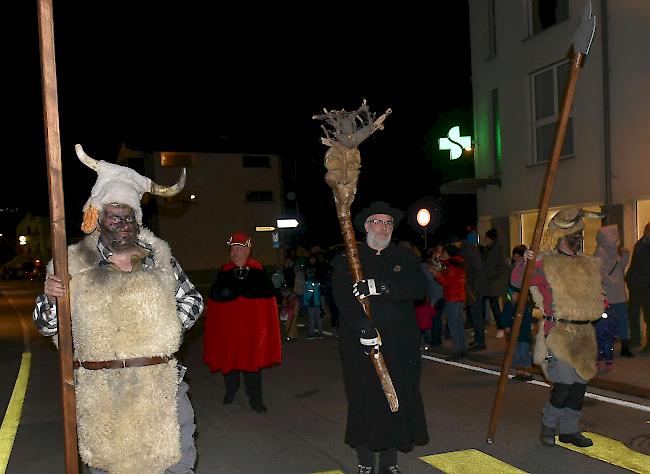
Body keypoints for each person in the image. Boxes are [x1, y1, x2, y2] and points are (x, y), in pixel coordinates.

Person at [33, 145, 203, 474]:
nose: (123, 224)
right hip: (103, 394)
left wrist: (162, 327)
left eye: (129, 217)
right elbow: (49, 326)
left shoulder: (158, 256)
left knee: (176, 463)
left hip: (158, 387)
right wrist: (52, 298)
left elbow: (193, 300)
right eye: (115, 216)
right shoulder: (73, 263)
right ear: (97, 217)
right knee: (110, 466)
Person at [331, 201, 428, 474]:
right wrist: (363, 327)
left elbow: (418, 288)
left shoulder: (404, 257)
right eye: (377, 222)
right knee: (364, 400)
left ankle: (389, 462)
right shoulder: (349, 258)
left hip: (400, 345)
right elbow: (341, 296)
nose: (383, 228)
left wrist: (383, 287)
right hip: (359, 345)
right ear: (365, 227)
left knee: (395, 398)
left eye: (388, 223)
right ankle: (365, 460)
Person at [516, 208, 605, 448]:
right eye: (572, 237)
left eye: (579, 237)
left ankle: (569, 430)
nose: (577, 242)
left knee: (579, 387)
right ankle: (548, 424)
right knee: (564, 385)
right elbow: (517, 282)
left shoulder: (587, 265)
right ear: (560, 239)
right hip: (558, 333)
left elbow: (597, 296)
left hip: (585, 334)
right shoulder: (545, 265)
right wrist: (525, 262)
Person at [203, 232, 282, 413]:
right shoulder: (223, 272)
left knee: (252, 367)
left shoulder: (258, 271)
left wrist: (263, 330)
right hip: (229, 332)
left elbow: (268, 305)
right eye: (232, 249)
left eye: (238, 249)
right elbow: (214, 305)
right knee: (229, 363)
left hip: (252, 332)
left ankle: (255, 399)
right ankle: (231, 391)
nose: (235, 252)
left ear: (247, 251)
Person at [594, 225, 633, 368]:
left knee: (622, 319)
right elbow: (599, 271)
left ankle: (624, 345)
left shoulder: (611, 251)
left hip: (618, 293)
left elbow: (620, 267)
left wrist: (625, 256)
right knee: (606, 323)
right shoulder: (600, 252)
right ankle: (606, 347)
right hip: (608, 294)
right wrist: (612, 282)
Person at [500, 245, 534, 381]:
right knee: (517, 351)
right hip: (515, 333)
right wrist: (506, 326)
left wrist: (530, 325)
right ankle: (520, 371)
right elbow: (506, 315)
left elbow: (527, 319)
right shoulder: (510, 304)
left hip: (523, 334)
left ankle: (526, 372)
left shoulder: (524, 306)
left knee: (523, 351)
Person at [450, 234, 487, 350]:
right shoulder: (469, 249)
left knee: (476, 315)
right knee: (475, 314)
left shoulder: (468, 250)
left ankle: (480, 342)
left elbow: (477, 269)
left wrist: (474, 289)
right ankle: (478, 340)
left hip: (474, 287)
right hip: (473, 286)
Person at [481, 228, 510, 338]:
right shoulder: (491, 249)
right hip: (488, 282)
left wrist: (490, 275)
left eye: (486, 238)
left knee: (494, 306)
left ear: (490, 238)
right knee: (486, 305)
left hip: (492, 283)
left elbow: (499, 267)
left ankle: (500, 328)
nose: (485, 240)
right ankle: (482, 328)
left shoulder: (496, 250)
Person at [625, 222, 650, 351]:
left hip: (643, 285)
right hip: (638, 285)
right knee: (634, 313)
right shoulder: (640, 245)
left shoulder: (641, 245)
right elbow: (637, 265)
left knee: (646, 315)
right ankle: (636, 339)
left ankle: (640, 341)